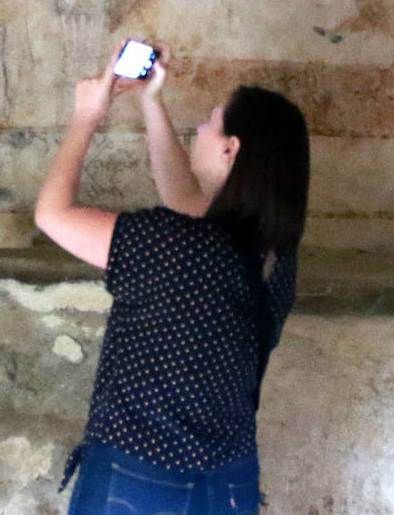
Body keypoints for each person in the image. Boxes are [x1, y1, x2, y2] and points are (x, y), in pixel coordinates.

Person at [34, 43, 310, 514]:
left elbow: (52, 214)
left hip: (138, 483)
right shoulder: (274, 259)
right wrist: (150, 100)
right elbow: (186, 200)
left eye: (211, 120)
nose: (199, 127)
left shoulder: (174, 245)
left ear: (230, 149)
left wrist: (86, 116)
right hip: (228, 485)